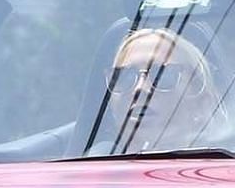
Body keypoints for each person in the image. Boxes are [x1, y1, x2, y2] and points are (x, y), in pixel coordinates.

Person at [88, 26, 221, 154]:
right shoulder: (88, 171)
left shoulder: (227, 169)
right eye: (125, 76)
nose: (140, 88)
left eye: (162, 74)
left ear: (202, 104)